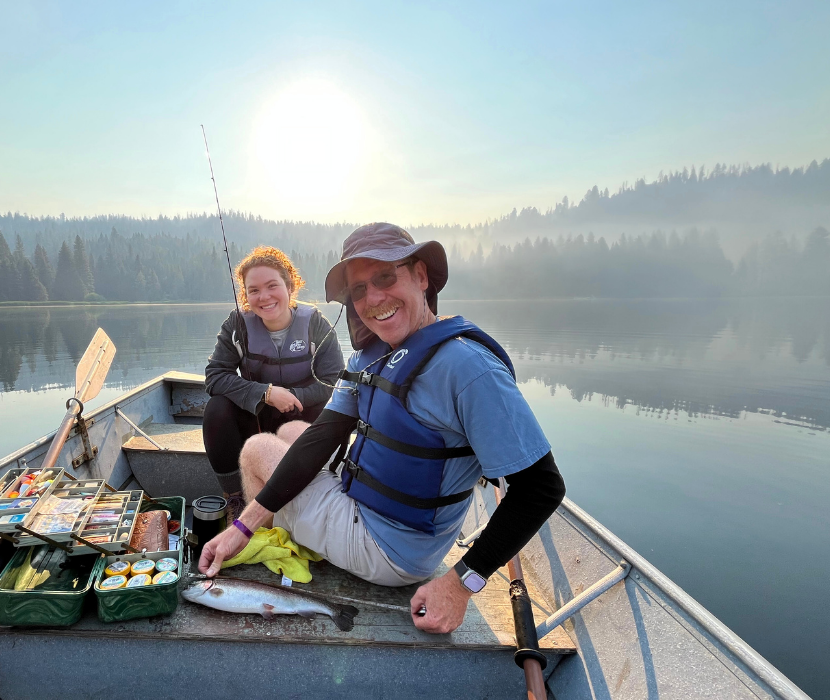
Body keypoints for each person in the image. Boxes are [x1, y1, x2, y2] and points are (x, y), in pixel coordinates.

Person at [199, 223, 567, 635]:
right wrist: (242, 526)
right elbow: (321, 437)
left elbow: (541, 489)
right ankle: (268, 529)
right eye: (359, 290)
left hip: (390, 548)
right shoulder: (372, 357)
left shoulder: (469, 368)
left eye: (386, 277)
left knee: (256, 450)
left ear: (422, 276)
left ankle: (275, 540)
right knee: (292, 435)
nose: (373, 298)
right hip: (367, 507)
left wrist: (462, 582)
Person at [203, 245, 345, 523]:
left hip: (304, 418)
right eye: (253, 290)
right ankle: (235, 498)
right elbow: (215, 375)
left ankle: (318, 492)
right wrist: (266, 393)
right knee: (216, 409)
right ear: (246, 295)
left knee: (331, 413)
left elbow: (335, 382)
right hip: (255, 418)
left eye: (272, 286)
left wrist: (294, 395)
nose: (263, 297)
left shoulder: (316, 324)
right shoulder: (237, 325)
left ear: (290, 285)